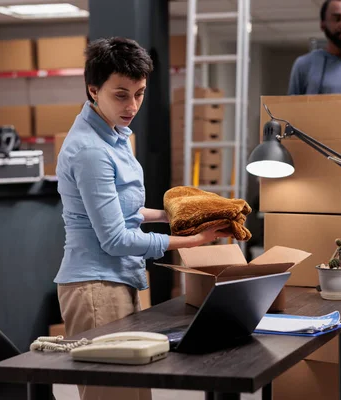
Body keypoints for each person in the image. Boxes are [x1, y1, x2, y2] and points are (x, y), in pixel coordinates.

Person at [54, 37, 230, 400]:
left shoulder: (114, 135)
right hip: (95, 289)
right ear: (93, 89)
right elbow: (116, 239)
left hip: (117, 280)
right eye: (121, 94)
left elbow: (126, 211)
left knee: (134, 395)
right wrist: (192, 242)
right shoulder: (91, 150)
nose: (132, 105)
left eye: (139, 93)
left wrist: (180, 215)